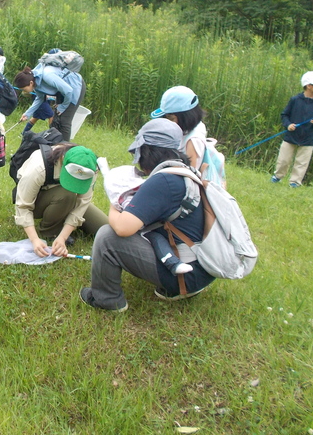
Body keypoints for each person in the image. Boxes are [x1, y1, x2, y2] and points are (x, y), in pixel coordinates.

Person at [80, 118, 215, 312]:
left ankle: (107, 300)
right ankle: (179, 285)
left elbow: (122, 228)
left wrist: (115, 199)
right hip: (201, 268)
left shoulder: (164, 181)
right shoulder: (184, 172)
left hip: (188, 275)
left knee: (107, 237)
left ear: (147, 152)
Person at [15, 144, 108, 258]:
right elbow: (23, 206)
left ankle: (63, 221)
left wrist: (63, 237)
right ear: (63, 161)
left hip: (68, 199)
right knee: (67, 194)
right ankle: (50, 232)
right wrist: (34, 240)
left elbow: (82, 204)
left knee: (106, 230)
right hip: (39, 201)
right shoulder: (39, 167)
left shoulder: (90, 168)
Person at [271, 71, 313, 187]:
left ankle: (295, 182)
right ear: (309, 86)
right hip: (291, 136)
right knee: (284, 160)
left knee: (302, 162)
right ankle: (278, 176)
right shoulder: (295, 100)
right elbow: (284, 115)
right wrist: (288, 124)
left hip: (308, 138)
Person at [13, 64, 85, 142]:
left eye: (24, 89)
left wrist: (63, 107)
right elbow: (39, 99)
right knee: (55, 121)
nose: (24, 91)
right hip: (62, 92)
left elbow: (68, 91)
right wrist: (27, 114)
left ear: (30, 83)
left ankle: (64, 149)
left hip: (75, 87)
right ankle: (55, 146)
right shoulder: (35, 83)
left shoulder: (47, 76)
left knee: (64, 121)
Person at [151, 86, 207, 172]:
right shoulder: (191, 127)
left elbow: (188, 174)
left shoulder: (193, 140)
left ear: (185, 117)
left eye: (171, 118)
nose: (168, 123)